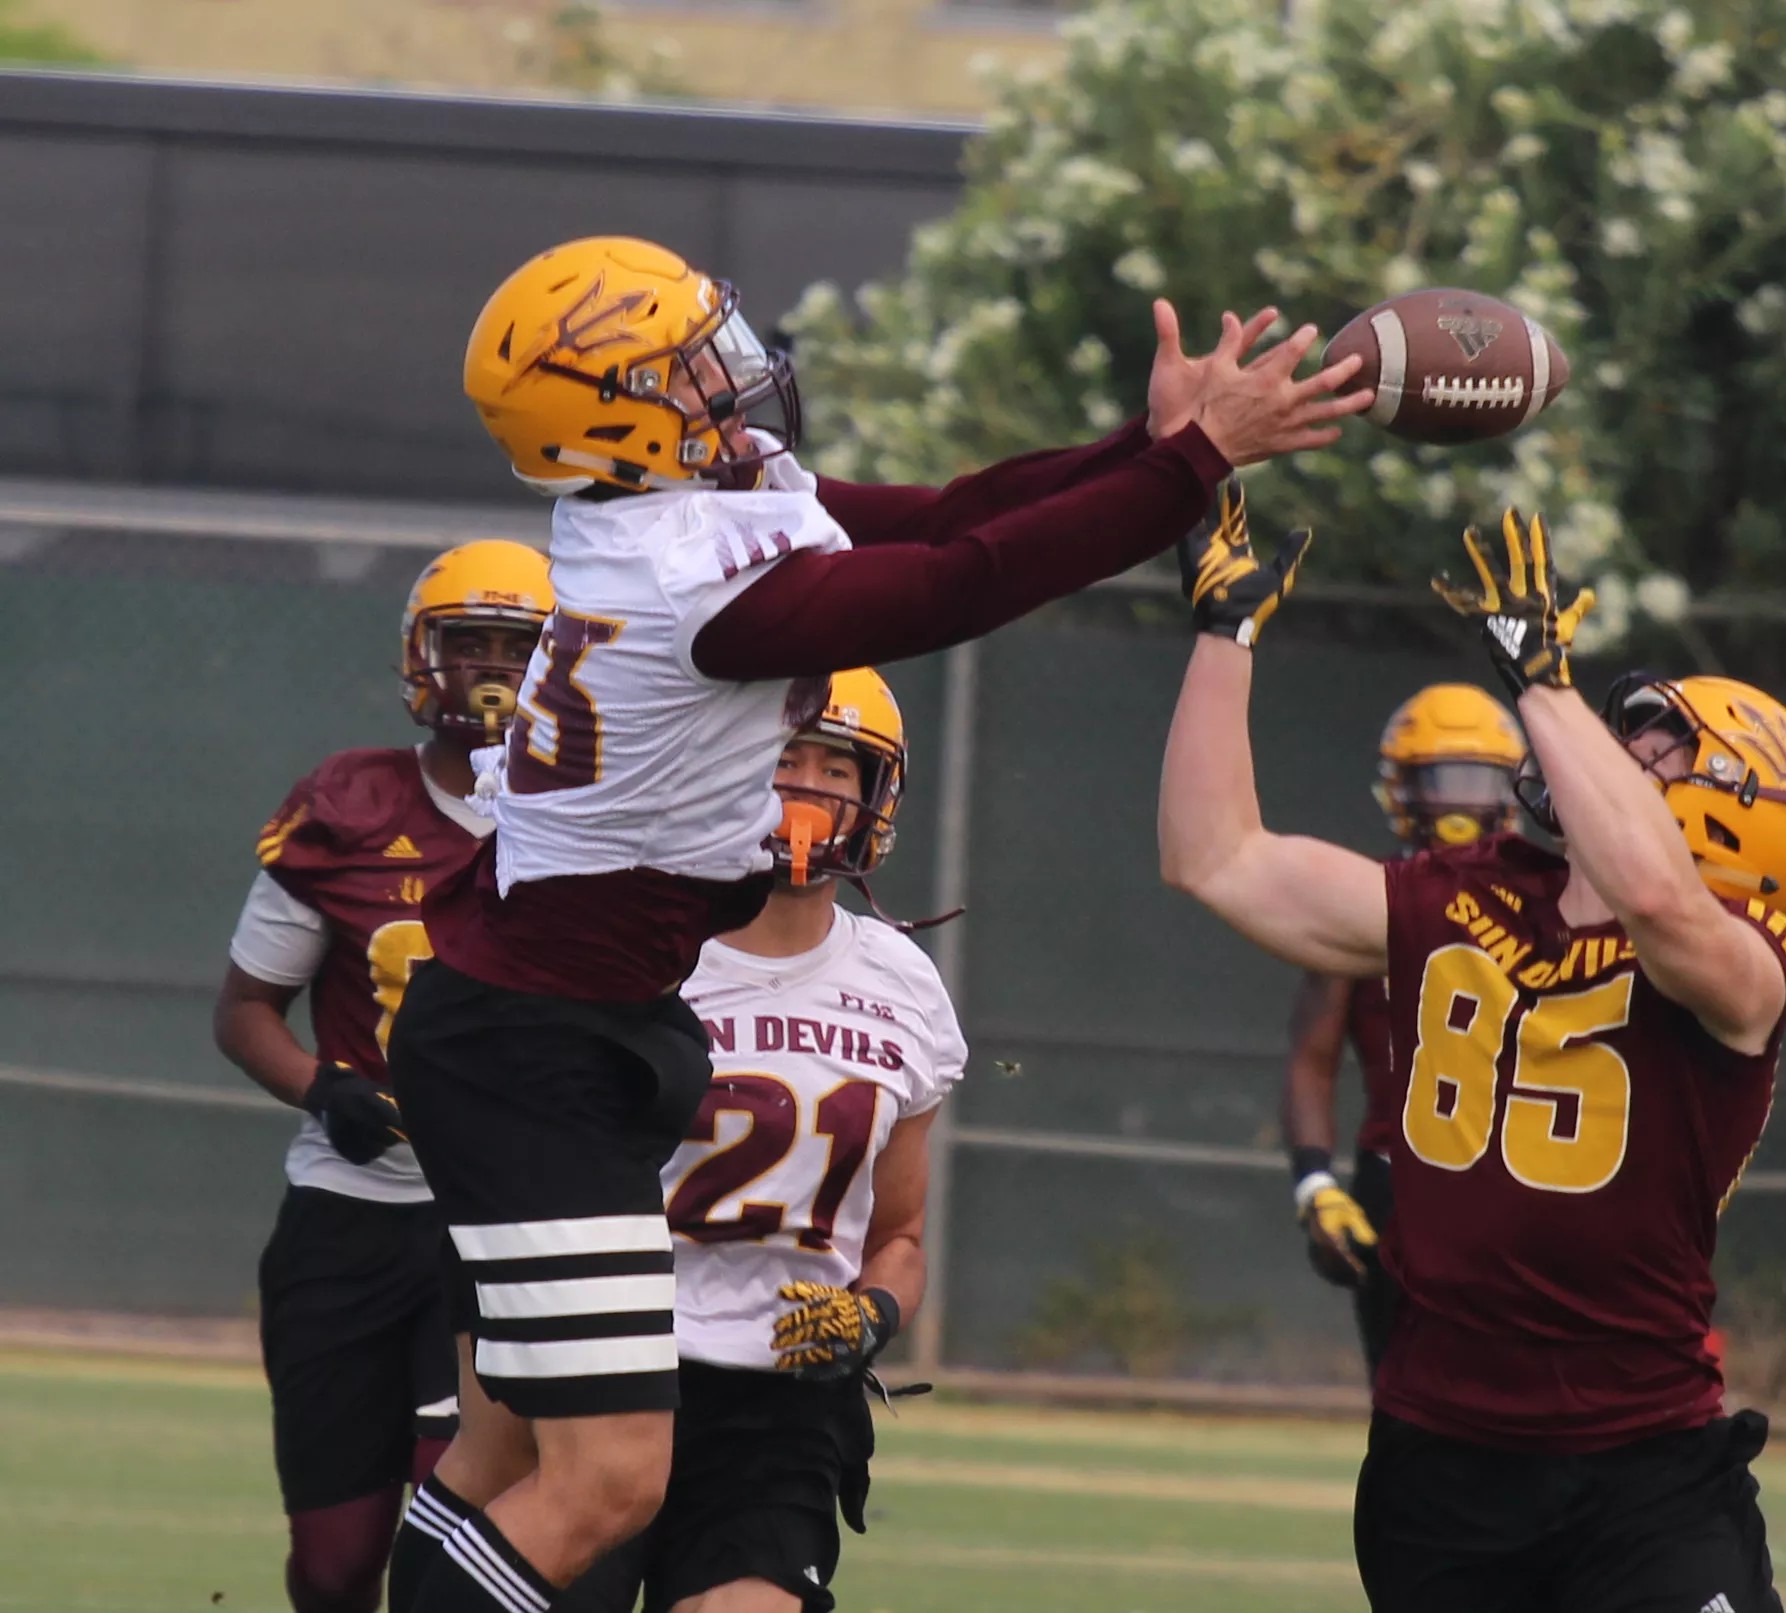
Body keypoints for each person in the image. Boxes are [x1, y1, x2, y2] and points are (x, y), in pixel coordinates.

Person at [384, 235, 1370, 1613]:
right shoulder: (689, 583)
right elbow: (960, 584)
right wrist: (1189, 466)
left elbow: (954, 511)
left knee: (504, 1463)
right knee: (607, 1480)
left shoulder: (677, 511)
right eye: (690, 365)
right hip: (530, 1052)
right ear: (612, 412)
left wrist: (1141, 445)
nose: (734, 377)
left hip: (580, 1031)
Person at [1158, 495, 1786, 1612]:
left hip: (1643, 1460)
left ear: (1725, 820)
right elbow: (1212, 857)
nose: (1607, 752)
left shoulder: (1748, 962)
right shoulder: (1457, 895)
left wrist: (1546, 684)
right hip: (1440, 1460)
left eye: (1651, 749)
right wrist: (1222, 638)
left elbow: (1660, 906)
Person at [553, 668, 957, 1613]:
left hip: (780, 1393)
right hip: (609, 1360)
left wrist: (874, 1318)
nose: (809, 788)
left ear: (875, 795)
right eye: (783, 758)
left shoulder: (903, 983)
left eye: (835, 767)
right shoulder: (634, 947)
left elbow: (898, 1236)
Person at [214, 540, 551, 1613]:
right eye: (470, 643)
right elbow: (244, 1010)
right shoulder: (351, 803)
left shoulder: (591, 815)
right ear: (423, 654)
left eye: (517, 644)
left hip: (501, 1225)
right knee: (332, 1561)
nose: (491, 666)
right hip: (349, 1215)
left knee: (448, 1537)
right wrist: (324, 1089)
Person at [1282, 683, 1524, 1375]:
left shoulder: (1552, 899)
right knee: (1407, 1402)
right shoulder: (1369, 900)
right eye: (1438, 780)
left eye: (1476, 780)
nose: (1456, 802)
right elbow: (1312, 1057)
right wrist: (1314, 1184)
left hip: (1526, 1184)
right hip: (1401, 1181)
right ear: (1399, 788)